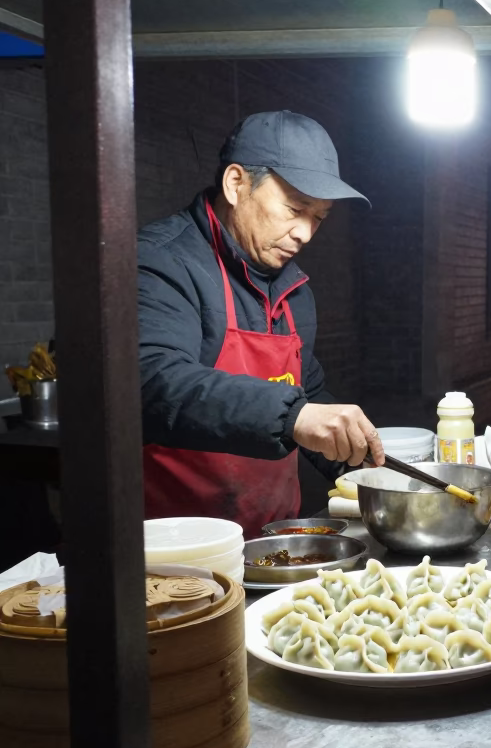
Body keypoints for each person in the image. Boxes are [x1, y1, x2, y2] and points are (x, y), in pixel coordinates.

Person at [137, 111, 386, 536]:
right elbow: (154, 381)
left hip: (273, 540)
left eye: (319, 218)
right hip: (174, 548)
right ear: (236, 184)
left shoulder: (294, 292)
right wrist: (294, 416)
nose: (305, 233)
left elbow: (306, 394)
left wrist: (361, 462)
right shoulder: (160, 262)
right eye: (295, 208)